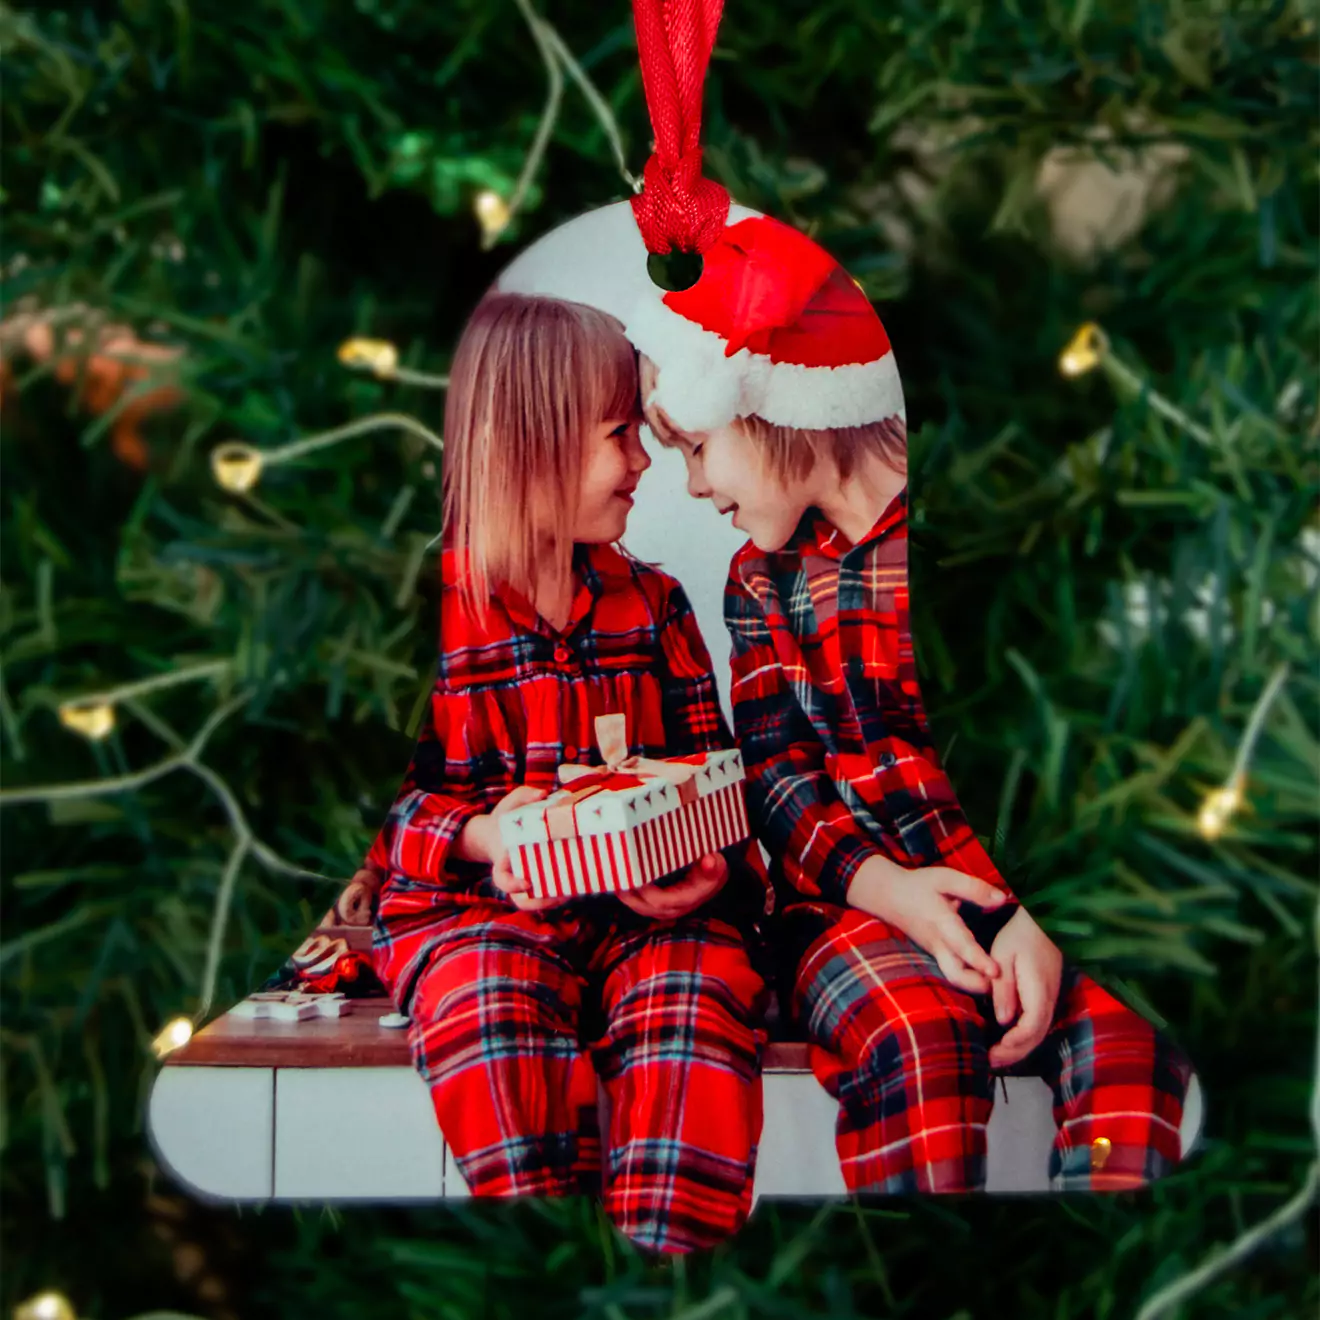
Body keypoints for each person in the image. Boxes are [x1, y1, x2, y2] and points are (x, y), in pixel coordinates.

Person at [629, 213, 1191, 1192]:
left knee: (1131, 1040)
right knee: (916, 1040)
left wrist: (1038, 916)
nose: (692, 485)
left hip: (1025, 892)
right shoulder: (762, 582)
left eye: (696, 449)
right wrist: (888, 890)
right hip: (853, 904)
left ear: (769, 408)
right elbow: (778, 786)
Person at [368, 292, 769, 1252]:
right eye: (618, 434)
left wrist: (705, 858)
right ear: (530, 444)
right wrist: (478, 832)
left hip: (648, 920)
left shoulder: (658, 606)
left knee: (702, 999)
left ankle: (670, 1270)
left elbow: (709, 772)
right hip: (479, 918)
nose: (642, 461)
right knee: (488, 1007)